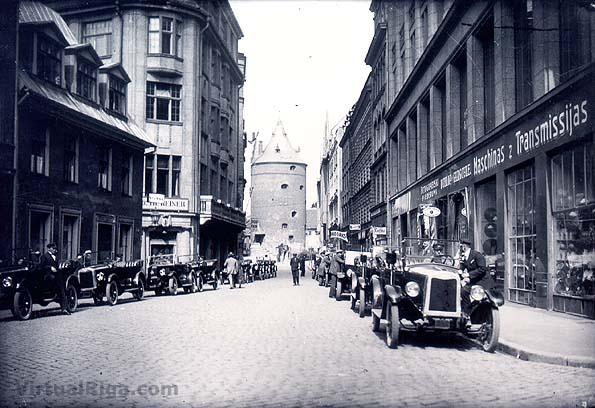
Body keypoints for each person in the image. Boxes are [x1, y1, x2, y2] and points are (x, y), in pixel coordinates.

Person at [39, 243, 69, 315]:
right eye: (53, 248)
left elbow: (57, 266)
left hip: (57, 276)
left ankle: (64, 308)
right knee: (59, 287)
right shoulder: (44, 256)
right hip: (48, 276)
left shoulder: (56, 257)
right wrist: (50, 267)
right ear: (49, 248)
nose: (55, 250)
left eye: (55, 249)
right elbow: (41, 267)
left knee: (62, 289)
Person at [458, 239, 487, 313]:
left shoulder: (477, 255)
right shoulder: (464, 256)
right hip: (473, 281)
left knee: (478, 297)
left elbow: (482, 268)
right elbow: (462, 266)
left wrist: (469, 275)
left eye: (460, 246)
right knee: (462, 291)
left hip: (483, 281)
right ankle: (468, 312)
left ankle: (471, 312)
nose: (460, 248)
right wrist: (459, 272)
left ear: (464, 246)